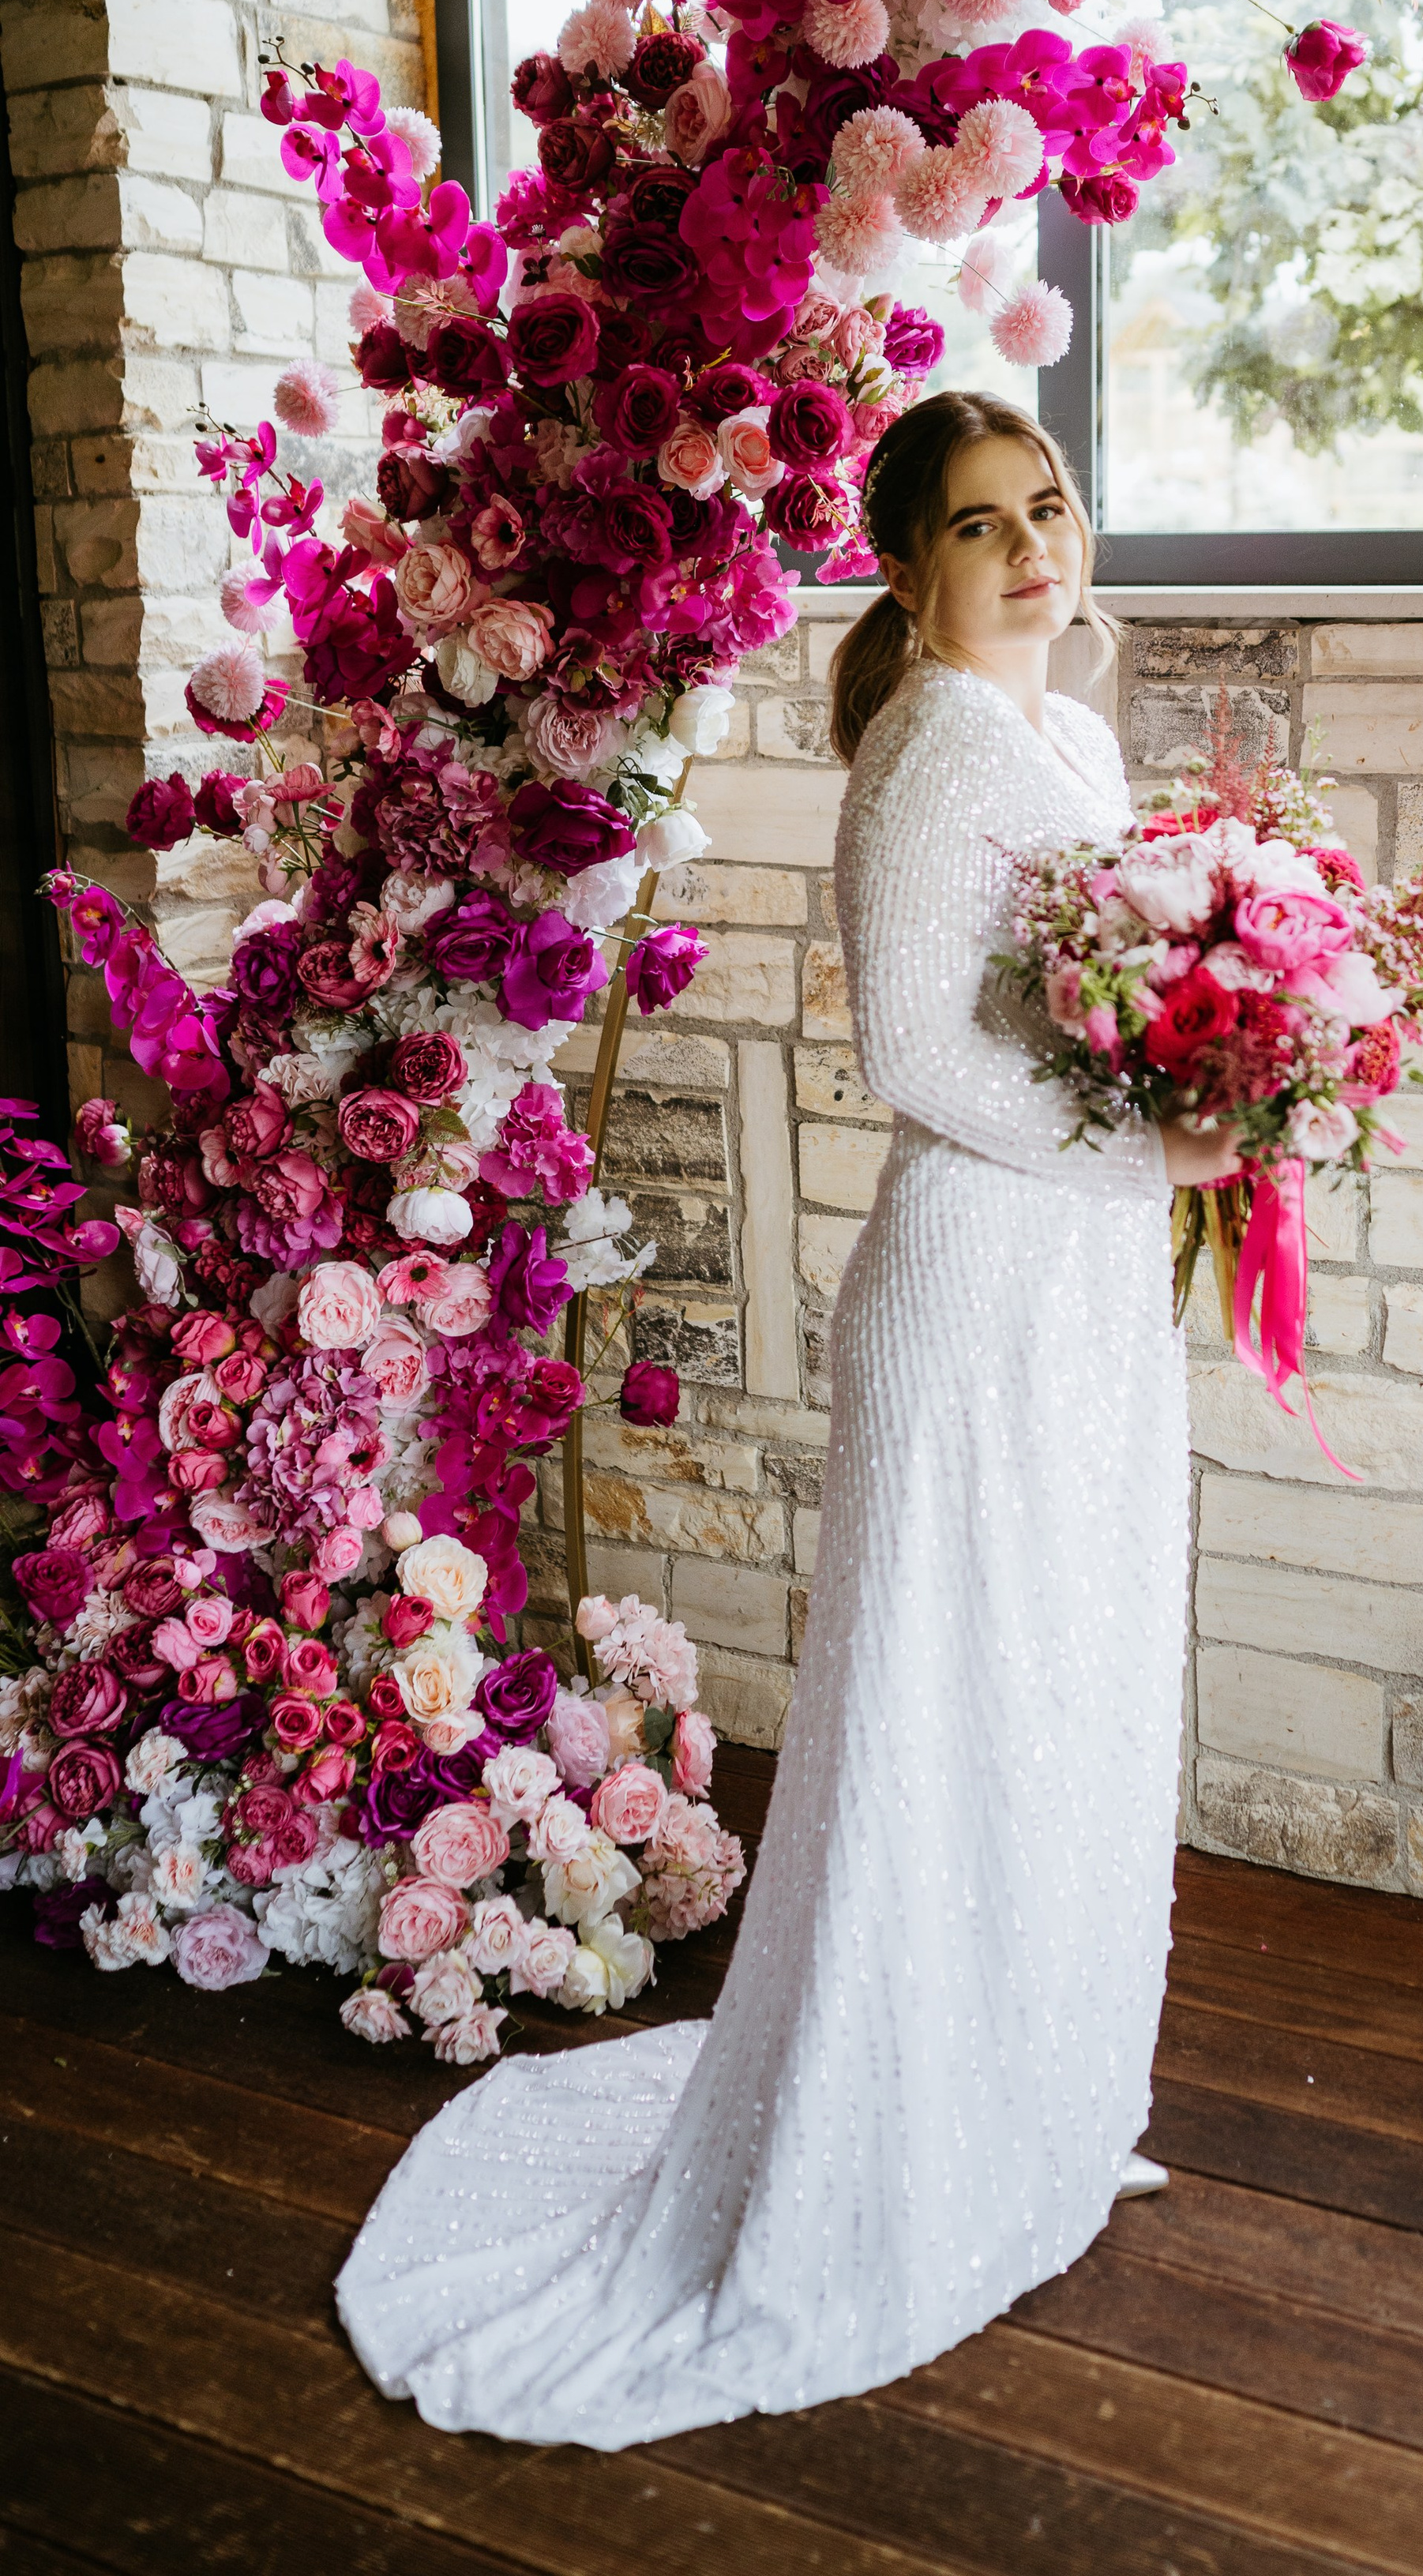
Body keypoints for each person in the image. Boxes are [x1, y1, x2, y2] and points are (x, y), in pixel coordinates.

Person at [335, 389, 1241, 2447]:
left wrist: (1210, 1080)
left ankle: (1033, 2102)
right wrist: (1153, 1149)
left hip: (1086, 1280)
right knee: (956, 1698)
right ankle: (899, 2133)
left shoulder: (1074, 739)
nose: (1033, 546)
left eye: (1050, 506)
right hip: (979, 1277)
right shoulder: (930, 749)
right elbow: (918, 1055)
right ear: (908, 564)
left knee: (1068, 1685)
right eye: (982, 522)